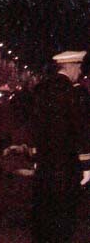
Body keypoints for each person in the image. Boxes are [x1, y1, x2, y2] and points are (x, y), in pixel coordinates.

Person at [31, 50, 90, 243]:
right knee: (64, 216)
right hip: (67, 164)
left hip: (45, 163)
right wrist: (86, 164)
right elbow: (80, 130)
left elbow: (35, 127)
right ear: (71, 67)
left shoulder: (41, 89)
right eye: (79, 67)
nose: (80, 72)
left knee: (44, 214)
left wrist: (35, 157)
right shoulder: (72, 93)